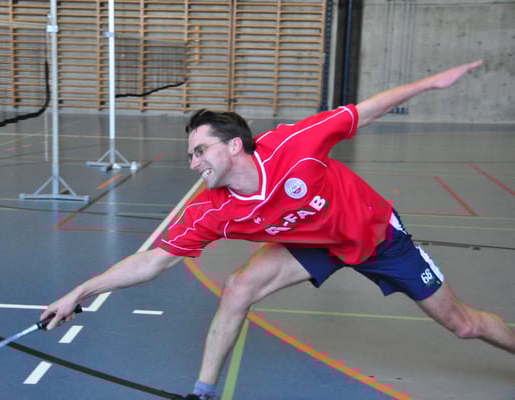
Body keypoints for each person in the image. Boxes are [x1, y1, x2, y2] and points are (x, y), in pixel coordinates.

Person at [42, 60, 514, 400]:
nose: (193, 163)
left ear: (234, 146)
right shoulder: (211, 210)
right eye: (190, 155)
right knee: (238, 286)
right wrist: (80, 291)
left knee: (463, 324)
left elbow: (364, 112)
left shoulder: (294, 145)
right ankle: (202, 392)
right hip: (313, 243)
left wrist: (432, 81)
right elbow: (153, 260)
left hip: (375, 235)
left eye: (200, 151)